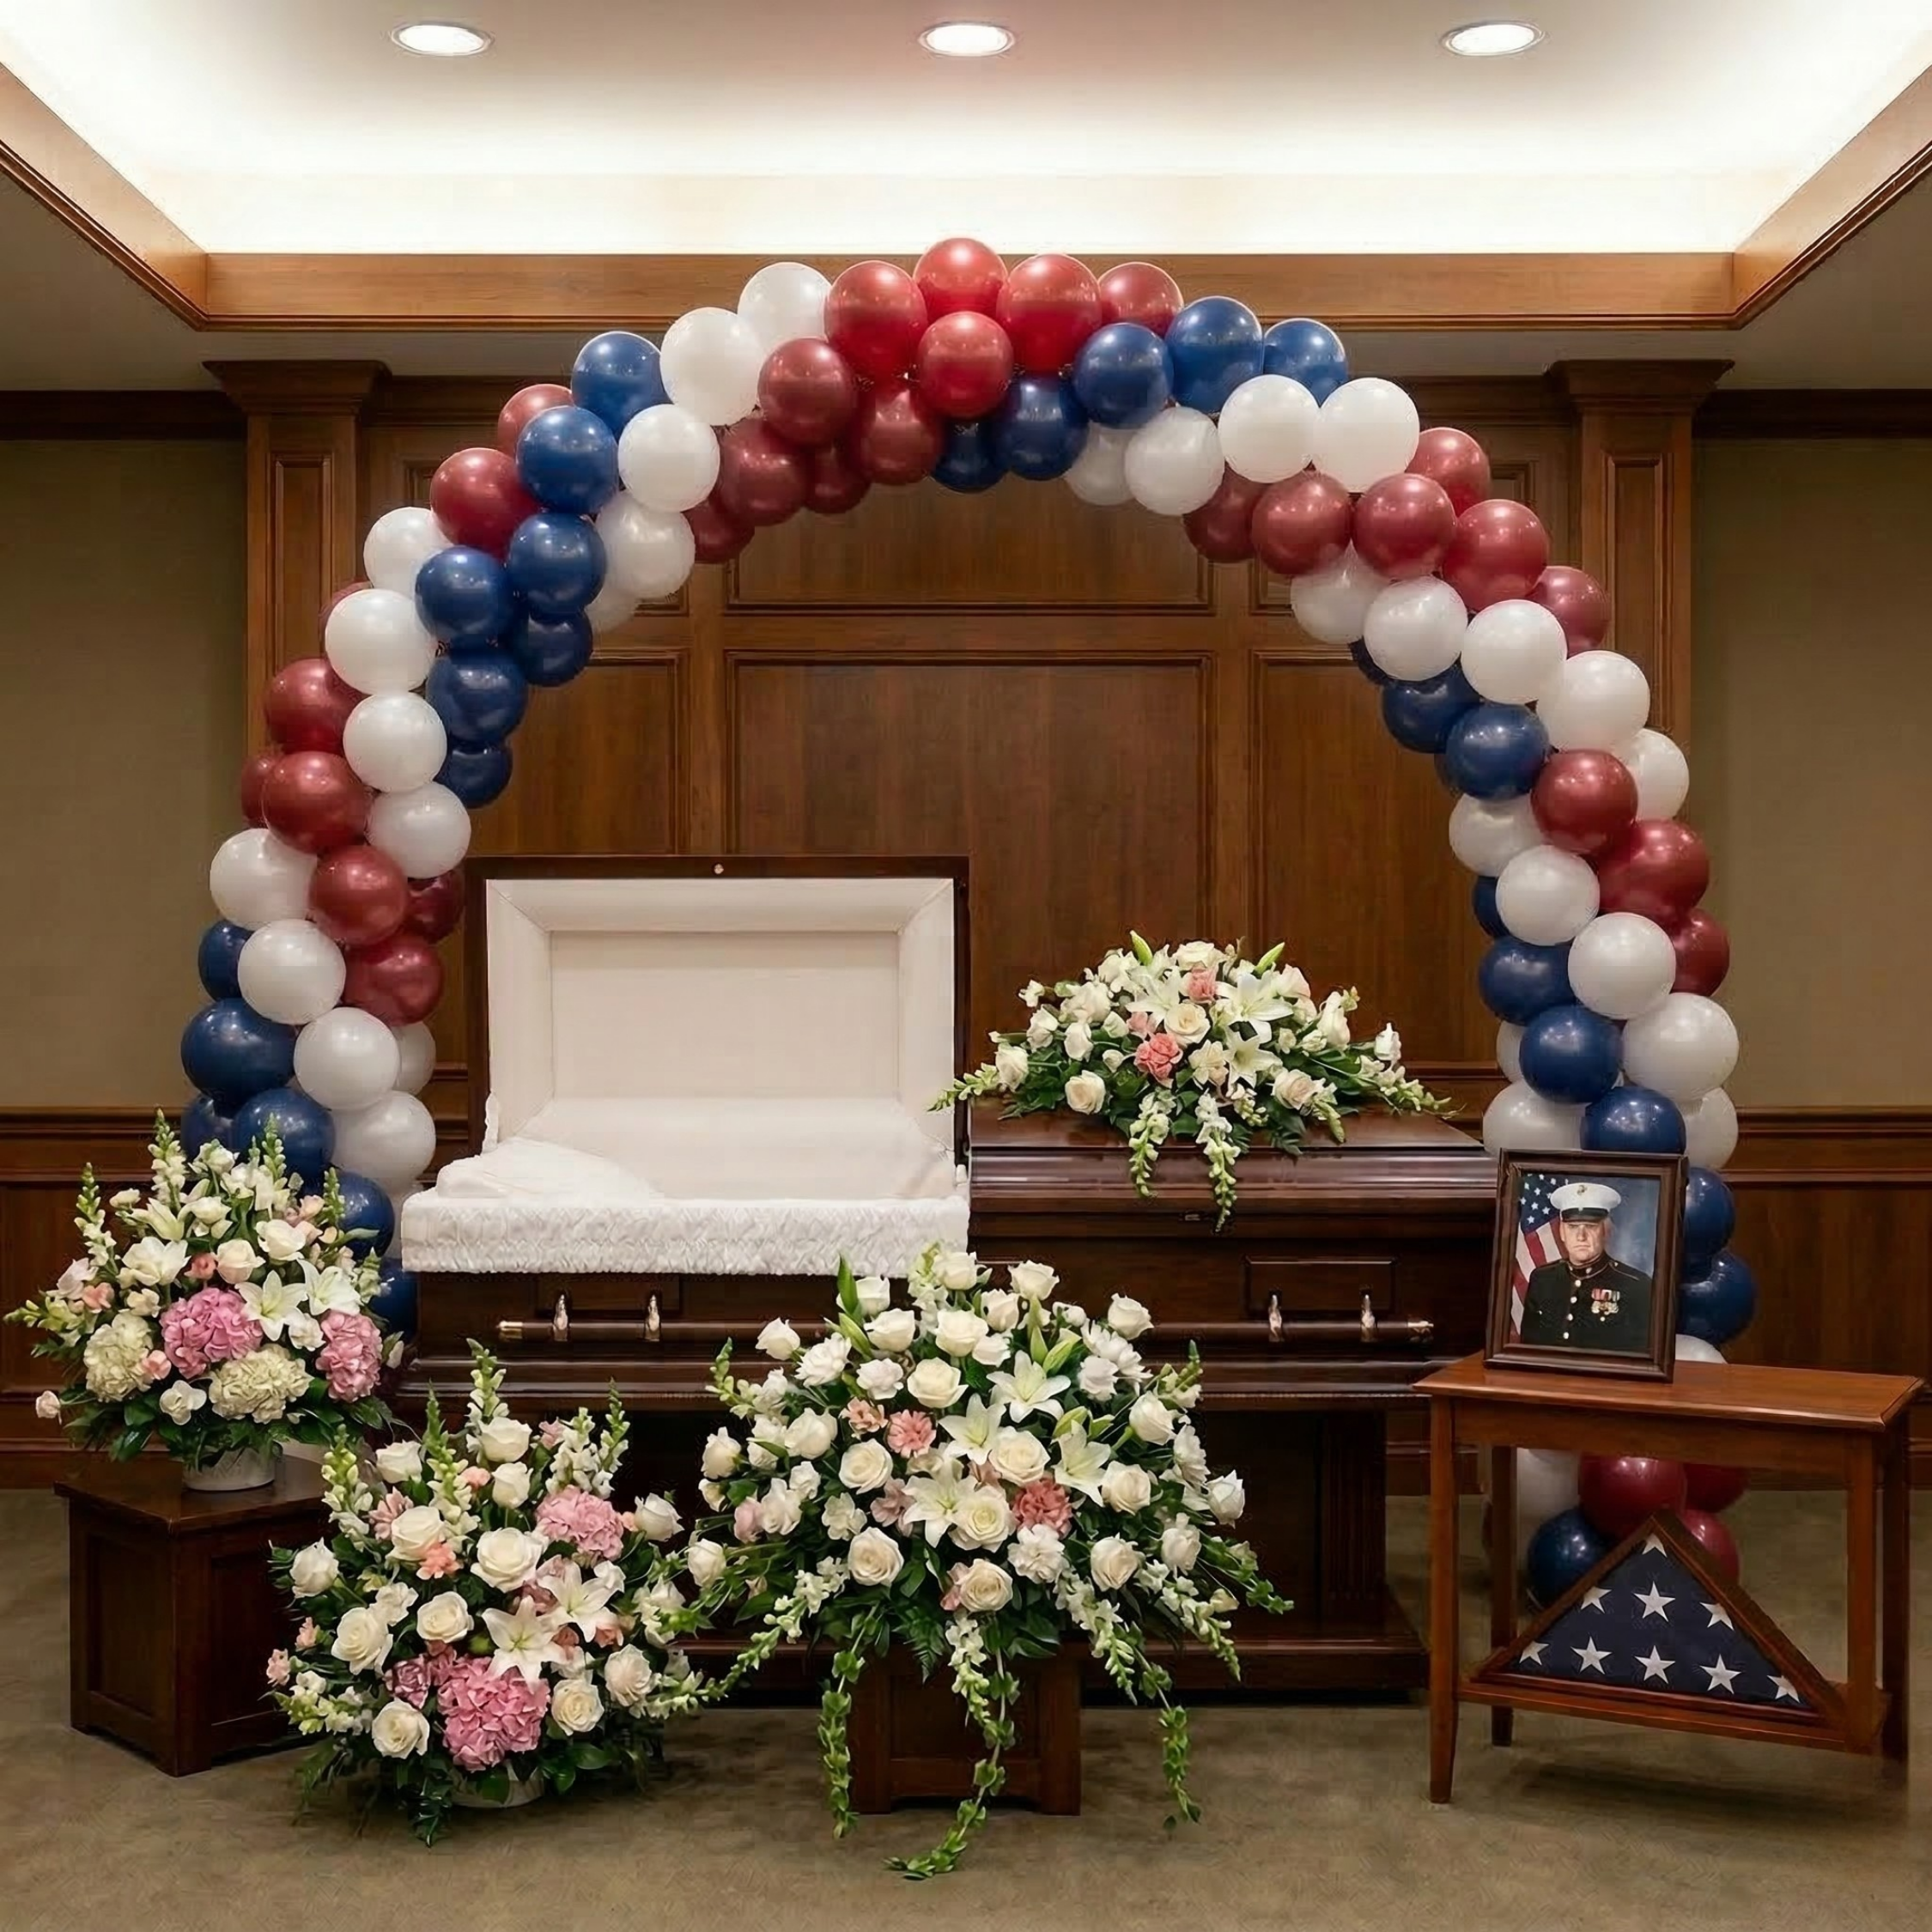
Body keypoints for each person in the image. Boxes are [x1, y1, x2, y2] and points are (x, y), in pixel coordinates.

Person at [1518, 1181, 1654, 1353]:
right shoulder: (1542, 1279)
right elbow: (1529, 1347)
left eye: (1590, 1226)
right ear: (1562, 1232)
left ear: (1606, 1231)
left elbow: (1639, 1356)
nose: (1581, 1236)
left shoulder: (1636, 1285)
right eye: (1573, 1227)